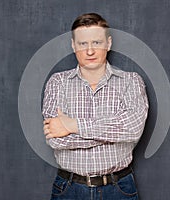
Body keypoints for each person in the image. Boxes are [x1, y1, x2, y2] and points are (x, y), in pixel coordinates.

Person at [42, 13, 149, 200]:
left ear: (108, 43)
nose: (90, 51)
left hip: (118, 189)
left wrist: (72, 126)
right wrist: (113, 135)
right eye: (83, 44)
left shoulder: (131, 82)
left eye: (96, 43)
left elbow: (133, 129)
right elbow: (56, 140)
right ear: (73, 46)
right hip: (69, 189)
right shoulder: (57, 82)